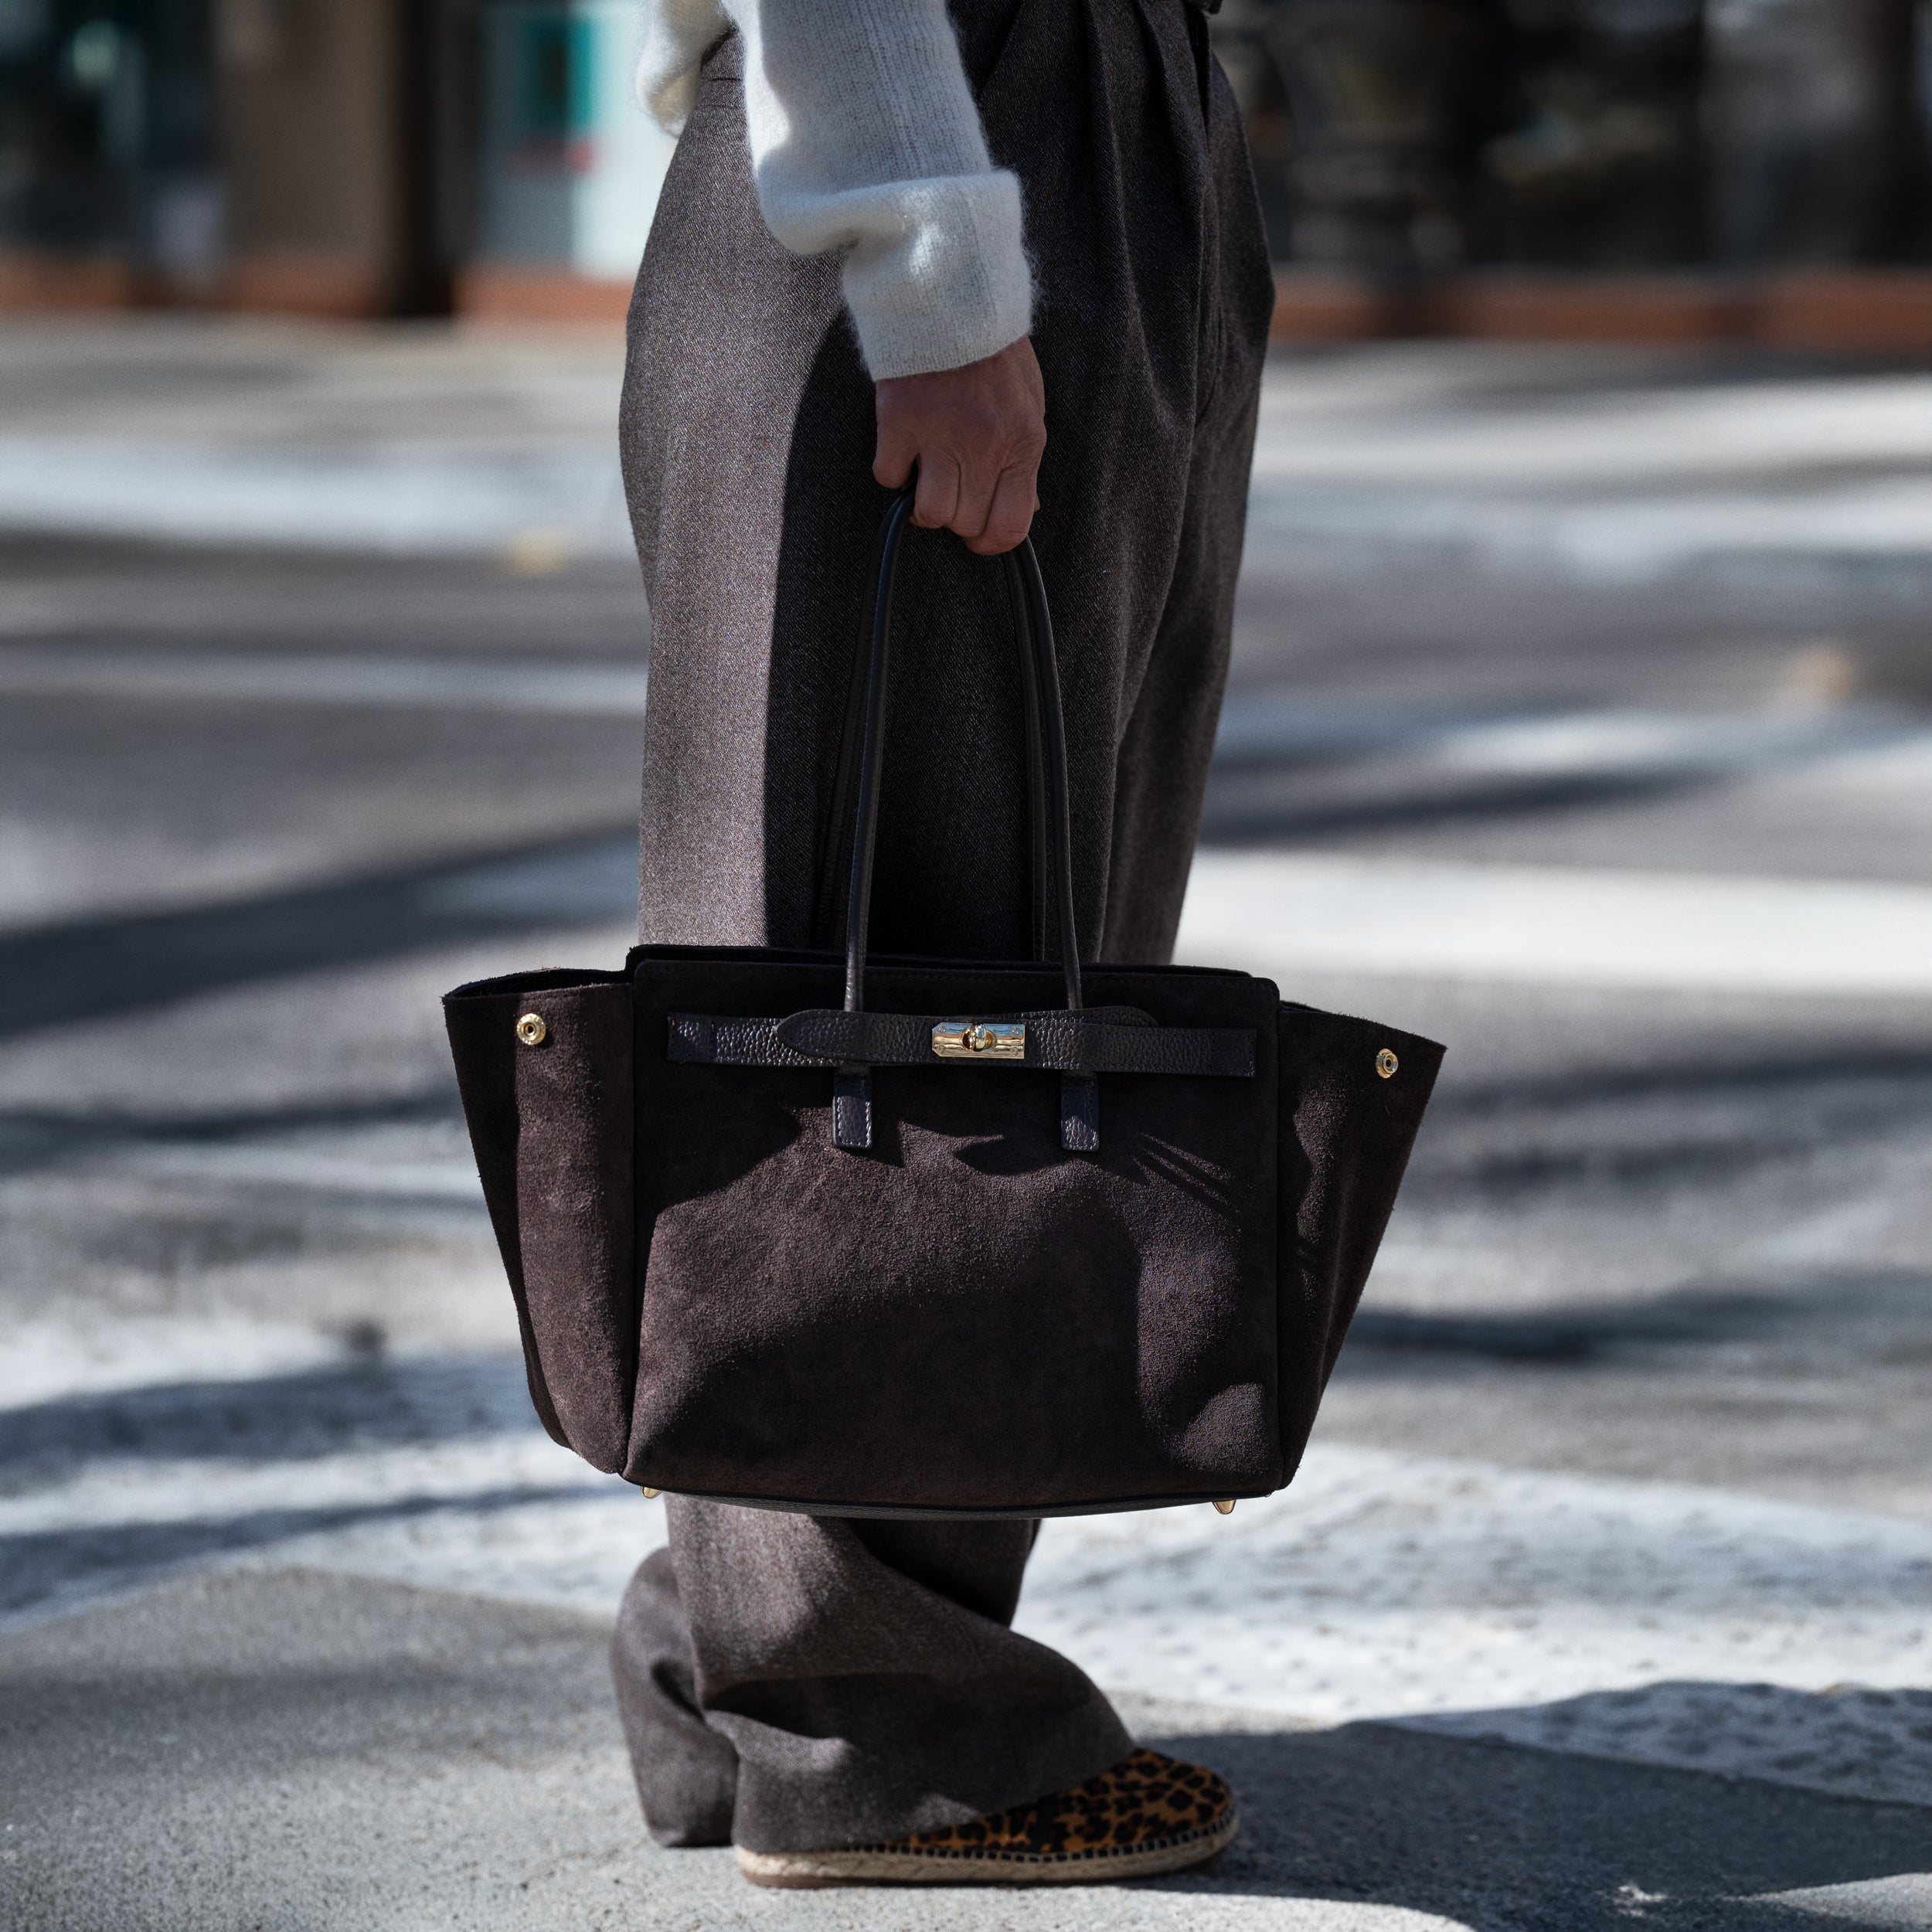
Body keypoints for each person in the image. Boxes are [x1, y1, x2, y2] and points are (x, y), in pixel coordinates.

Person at [611, 0, 1274, 1889]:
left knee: (1034, 966)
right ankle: (871, 1723)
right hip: (957, 125)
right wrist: (915, 230)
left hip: (1109, 124)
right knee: (857, 994)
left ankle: (723, 1653)